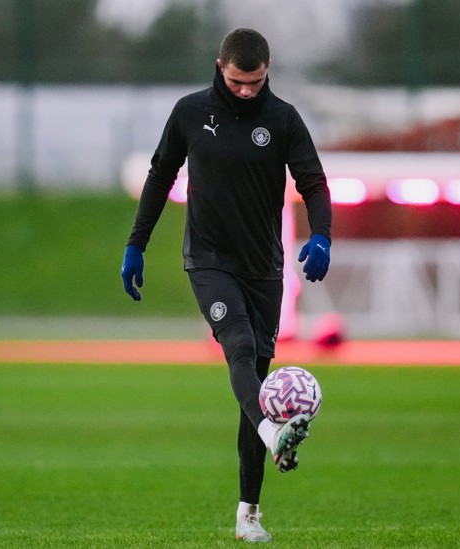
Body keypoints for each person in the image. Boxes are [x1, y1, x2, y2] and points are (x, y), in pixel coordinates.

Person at [120, 29, 331, 542]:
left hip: (264, 266)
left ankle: (248, 515)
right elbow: (159, 174)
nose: (245, 91)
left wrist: (322, 234)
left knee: (256, 375)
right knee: (237, 348)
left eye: (255, 82)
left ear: (267, 71)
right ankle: (272, 431)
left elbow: (314, 182)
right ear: (220, 67)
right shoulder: (190, 113)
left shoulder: (282, 119)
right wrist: (136, 243)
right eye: (237, 81)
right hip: (209, 261)